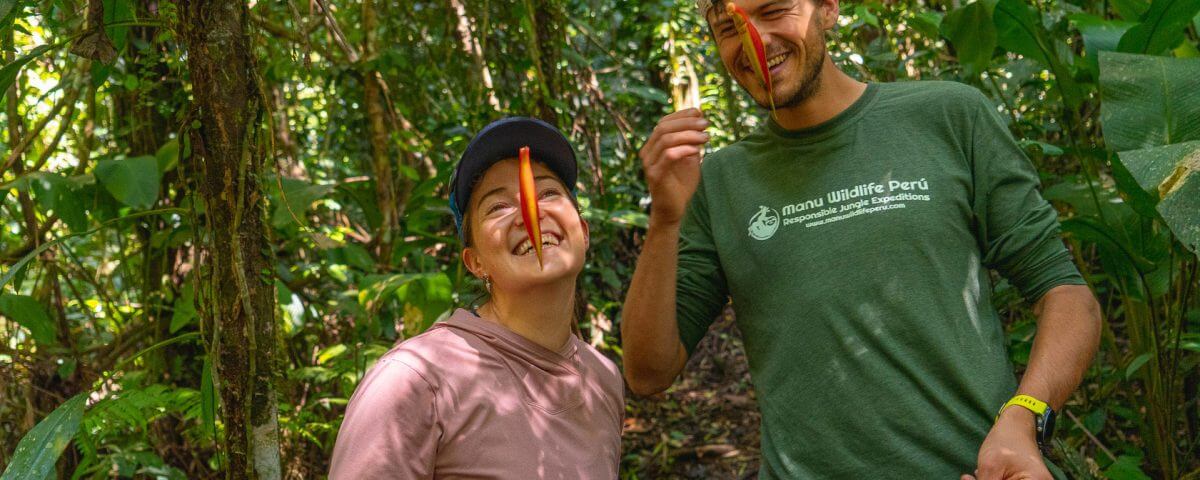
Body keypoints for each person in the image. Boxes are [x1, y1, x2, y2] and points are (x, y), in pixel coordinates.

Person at [620, 0, 1102, 478]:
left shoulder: (949, 116)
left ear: (827, 9)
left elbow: (1066, 293)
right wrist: (665, 219)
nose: (755, 40)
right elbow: (648, 372)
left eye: (773, 11)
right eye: (730, 28)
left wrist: (1024, 418)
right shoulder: (720, 181)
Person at [329, 117, 623, 479]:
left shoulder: (603, 380)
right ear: (475, 262)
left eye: (548, 193)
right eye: (498, 207)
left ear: (584, 231)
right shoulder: (414, 381)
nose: (531, 213)